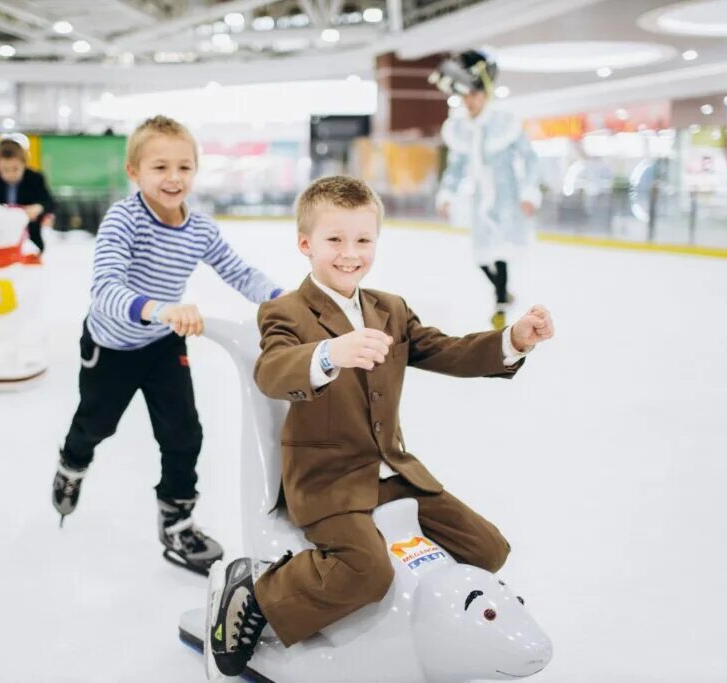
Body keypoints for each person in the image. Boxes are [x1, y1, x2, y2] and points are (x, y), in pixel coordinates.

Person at [207, 176, 555, 676]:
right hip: (327, 479)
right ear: (306, 244)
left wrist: (513, 341)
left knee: (488, 548)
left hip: (392, 472)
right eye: (334, 240)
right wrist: (329, 353)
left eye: (363, 240)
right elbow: (272, 371)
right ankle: (258, 594)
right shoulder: (285, 311)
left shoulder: (390, 308)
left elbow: (448, 351)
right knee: (367, 572)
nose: (350, 253)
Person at [52, 115, 283, 576]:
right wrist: (160, 308)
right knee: (96, 424)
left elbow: (239, 273)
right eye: (160, 167)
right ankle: (71, 465)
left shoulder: (199, 228)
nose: (174, 178)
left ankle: (177, 523)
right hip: (112, 345)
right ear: (134, 172)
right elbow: (106, 288)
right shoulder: (124, 219)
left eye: (184, 167)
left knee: (184, 434)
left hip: (161, 344)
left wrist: (284, 300)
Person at [430, 49, 542, 328]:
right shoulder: (460, 128)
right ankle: (503, 293)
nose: (469, 101)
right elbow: (455, 166)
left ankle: (500, 307)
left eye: (474, 95)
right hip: (479, 200)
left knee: (501, 254)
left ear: (485, 95)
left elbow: (530, 159)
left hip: (507, 198)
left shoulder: (504, 123)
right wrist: (447, 193)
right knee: (481, 256)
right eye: (466, 96)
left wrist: (529, 192)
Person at [0, 138, 54, 254]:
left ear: (24, 164)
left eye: (15, 169)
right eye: (5, 170)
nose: (10, 174)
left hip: (30, 234)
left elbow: (49, 201)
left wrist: (38, 207)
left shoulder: (35, 178)